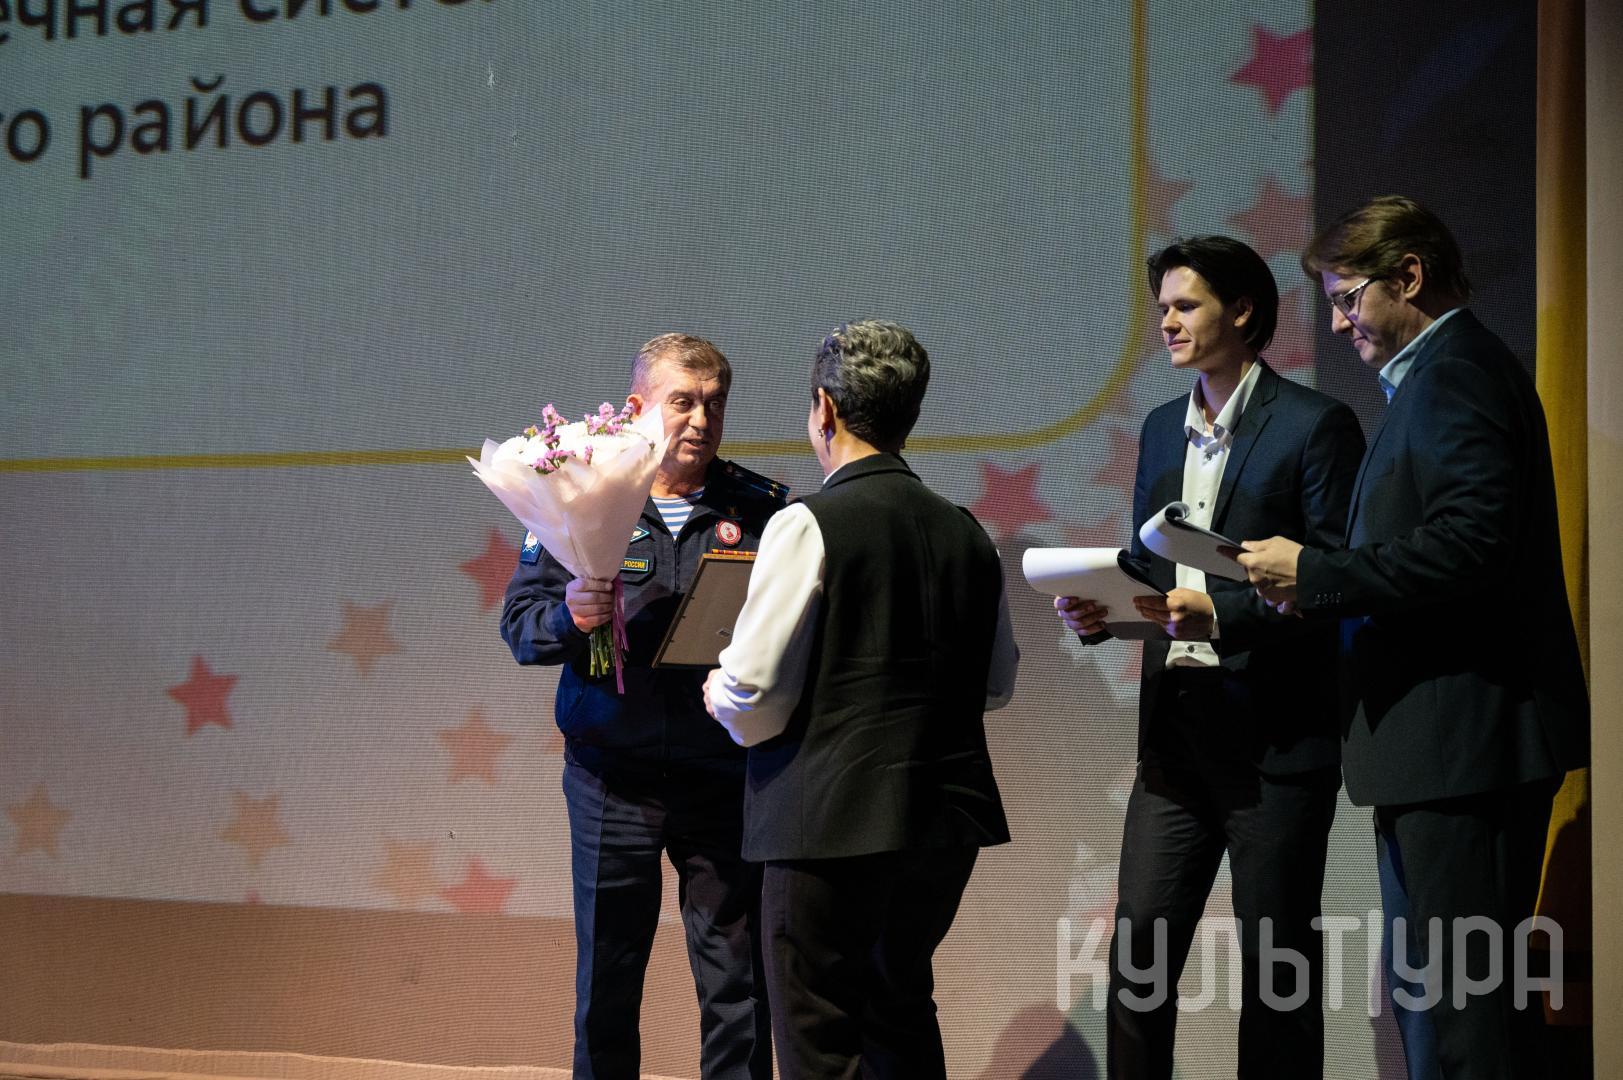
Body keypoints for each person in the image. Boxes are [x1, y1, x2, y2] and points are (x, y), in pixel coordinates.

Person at [1238, 196, 1589, 1080]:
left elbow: (1470, 545)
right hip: (1442, 751)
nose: (1337, 322)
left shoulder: (1457, 372)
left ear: (1407, 276)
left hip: (1465, 747)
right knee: (1438, 1004)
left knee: (1461, 1017)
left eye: (1346, 298)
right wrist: (1308, 590)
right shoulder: (1436, 378)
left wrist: (1317, 572)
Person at [1054, 236, 1365, 1079]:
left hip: (1275, 750)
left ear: (1242, 311)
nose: (1166, 323)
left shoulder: (1313, 426)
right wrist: (1101, 611)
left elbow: (1335, 585)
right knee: (1137, 963)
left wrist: (1221, 615)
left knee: (1276, 976)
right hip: (1176, 744)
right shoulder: (1161, 427)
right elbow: (1148, 570)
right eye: (1161, 308)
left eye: (1184, 306)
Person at [701, 320, 1018, 1079]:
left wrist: (718, 691)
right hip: (942, 821)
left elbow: (753, 690)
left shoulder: (806, 522)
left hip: (825, 822)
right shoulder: (967, 530)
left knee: (818, 1033)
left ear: (825, 408)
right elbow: (995, 682)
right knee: (899, 1009)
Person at [500, 333, 784, 1080]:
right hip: (610, 783)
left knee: (738, 985)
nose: (701, 420)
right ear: (637, 408)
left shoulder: (762, 509)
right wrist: (570, 617)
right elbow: (521, 629)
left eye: (714, 404)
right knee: (608, 982)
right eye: (682, 401)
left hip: (721, 779)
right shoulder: (576, 494)